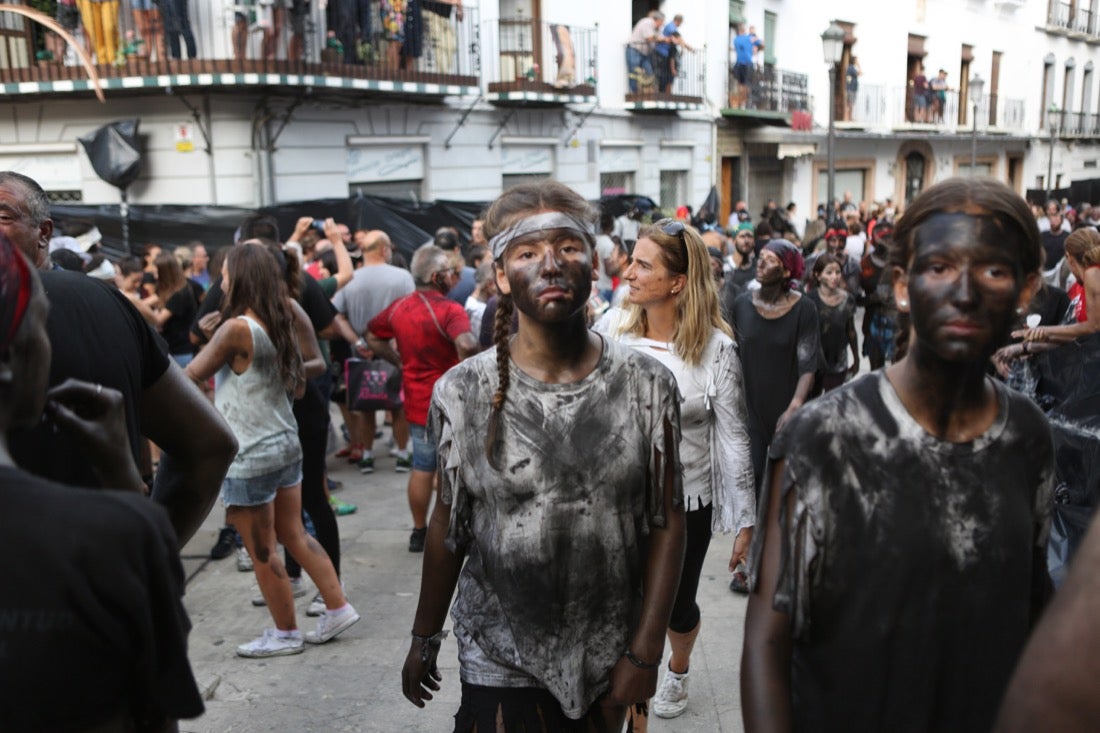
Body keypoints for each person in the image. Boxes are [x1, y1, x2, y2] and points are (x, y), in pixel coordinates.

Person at [742, 177, 1053, 732]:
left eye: (993, 270)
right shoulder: (825, 435)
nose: (965, 291)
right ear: (902, 285)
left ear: (1027, 288)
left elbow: (1031, 600)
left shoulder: (1026, 434)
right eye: (939, 267)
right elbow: (767, 642)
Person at [401, 180, 686, 730]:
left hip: (608, 650)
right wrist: (423, 634)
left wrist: (645, 653)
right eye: (528, 253)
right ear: (502, 276)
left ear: (596, 265)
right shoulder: (463, 391)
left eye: (568, 247)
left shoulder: (646, 384)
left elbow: (668, 523)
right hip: (500, 655)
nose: (551, 265)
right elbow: (450, 522)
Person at [0, 232, 205, 732]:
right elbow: (157, 708)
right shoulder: (106, 537)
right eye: (42, 328)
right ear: (14, 365)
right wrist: (123, 487)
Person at [2, 170, 236, 548]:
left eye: (3, 216)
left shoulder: (99, 304)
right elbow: (211, 444)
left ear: (44, 232)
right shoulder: (109, 302)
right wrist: (149, 557)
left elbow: (210, 444)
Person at [597, 219, 754, 725]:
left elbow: (732, 437)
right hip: (615, 501)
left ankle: (679, 667)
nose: (629, 272)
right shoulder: (609, 330)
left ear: (678, 282)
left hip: (686, 506)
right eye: (632, 259)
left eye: (644, 264)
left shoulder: (716, 350)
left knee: (674, 609)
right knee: (625, 609)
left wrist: (745, 521)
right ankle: (630, 706)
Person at [185, 243, 359, 657]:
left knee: (262, 549)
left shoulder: (235, 329)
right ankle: (338, 606)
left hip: (251, 452)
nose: (220, 279)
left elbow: (190, 376)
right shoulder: (281, 316)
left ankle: (285, 633)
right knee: (294, 533)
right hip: (284, 442)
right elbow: (299, 383)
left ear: (239, 277)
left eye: (225, 272)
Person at [367, 245, 478, 552]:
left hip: (416, 402)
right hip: (451, 403)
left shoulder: (399, 308)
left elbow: (373, 336)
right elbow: (467, 344)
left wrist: (398, 361)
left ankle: (419, 531)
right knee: (451, 470)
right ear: (435, 276)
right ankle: (450, 530)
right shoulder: (450, 310)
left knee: (422, 466)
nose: (453, 278)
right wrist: (475, 367)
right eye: (449, 273)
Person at [729, 239, 820, 511]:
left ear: (787, 272)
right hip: (751, 410)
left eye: (771, 260)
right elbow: (731, 354)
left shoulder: (804, 309)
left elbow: (808, 365)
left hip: (787, 410)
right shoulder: (742, 304)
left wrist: (795, 406)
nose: (761, 262)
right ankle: (754, 543)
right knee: (753, 477)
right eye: (762, 256)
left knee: (787, 484)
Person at [331, 229, 415, 473]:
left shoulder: (350, 280)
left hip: (361, 354)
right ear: (384, 250)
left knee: (365, 406)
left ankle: (367, 455)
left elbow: (335, 314)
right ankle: (402, 454)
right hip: (394, 352)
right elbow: (410, 314)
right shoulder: (402, 277)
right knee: (398, 406)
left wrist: (357, 341)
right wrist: (397, 345)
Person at [807, 254, 859, 393]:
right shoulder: (809, 301)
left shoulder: (847, 300)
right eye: (829, 272)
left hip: (838, 361)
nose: (835, 276)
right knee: (812, 404)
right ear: (818, 276)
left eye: (837, 272)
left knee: (833, 401)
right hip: (814, 362)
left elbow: (851, 331)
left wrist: (856, 358)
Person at [627, 10, 663, 94]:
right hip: (635, 50)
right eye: (662, 22)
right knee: (634, 72)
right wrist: (662, 39)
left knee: (649, 72)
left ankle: (649, 92)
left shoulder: (655, 28)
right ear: (659, 20)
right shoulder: (647, 22)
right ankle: (635, 93)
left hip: (644, 53)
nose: (662, 25)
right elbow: (649, 38)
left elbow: (655, 38)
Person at [731, 22, 763, 108]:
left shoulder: (736, 40)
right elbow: (762, 44)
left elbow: (739, 48)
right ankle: (744, 102)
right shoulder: (750, 38)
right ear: (744, 30)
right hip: (748, 64)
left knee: (740, 84)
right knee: (746, 84)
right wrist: (756, 48)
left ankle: (741, 102)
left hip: (739, 64)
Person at [845, 56, 860, 120]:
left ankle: (849, 118)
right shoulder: (851, 68)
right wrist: (859, 66)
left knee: (850, 103)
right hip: (851, 88)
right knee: (850, 103)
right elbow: (859, 73)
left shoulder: (851, 68)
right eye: (856, 60)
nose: (857, 61)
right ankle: (848, 118)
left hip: (851, 88)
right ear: (854, 61)